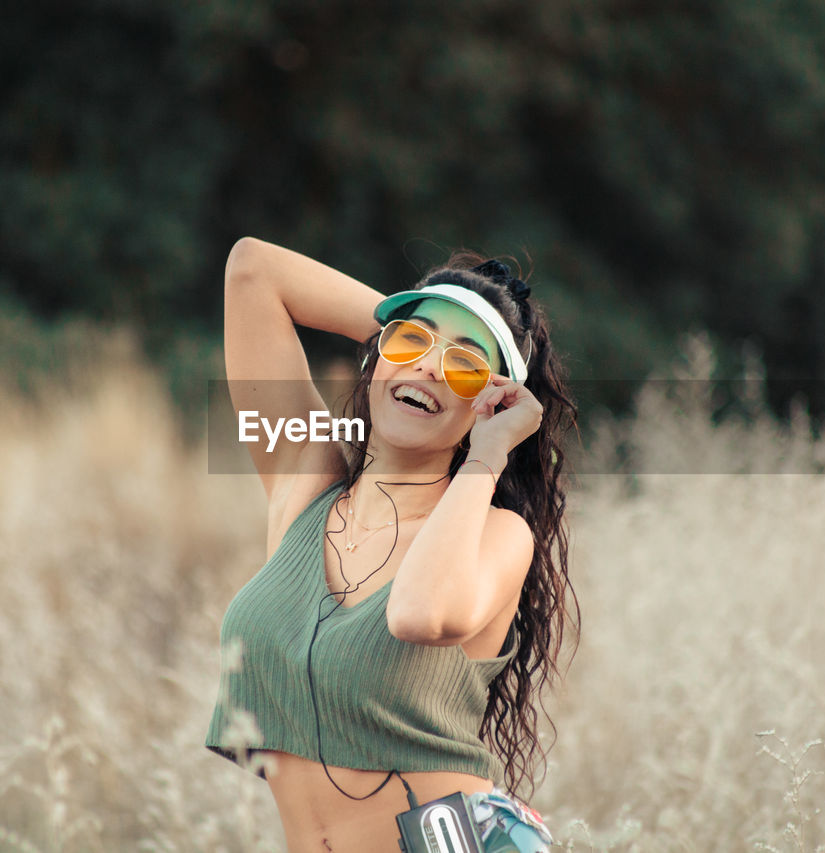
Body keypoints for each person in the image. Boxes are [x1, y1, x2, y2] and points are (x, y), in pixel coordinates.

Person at [206, 237, 578, 852]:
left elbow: (419, 613)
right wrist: (428, 321)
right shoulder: (304, 479)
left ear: (492, 404)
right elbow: (253, 270)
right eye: (412, 342)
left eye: (465, 365)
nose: (431, 367)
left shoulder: (497, 533)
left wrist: (486, 457)